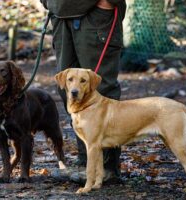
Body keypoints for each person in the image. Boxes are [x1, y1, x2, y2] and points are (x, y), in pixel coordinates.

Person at [40, 0, 126, 181]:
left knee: (98, 88)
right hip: (60, 16)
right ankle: (87, 161)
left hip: (96, 16)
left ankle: (107, 167)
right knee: (68, 88)